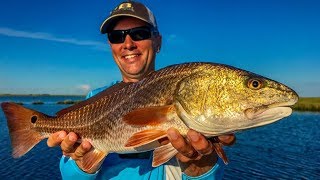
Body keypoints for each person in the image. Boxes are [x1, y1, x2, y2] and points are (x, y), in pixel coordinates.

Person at [47, 1, 235, 179]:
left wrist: (200, 167)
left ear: (157, 41)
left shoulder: (189, 96)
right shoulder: (94, 99)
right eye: (116, 36)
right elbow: (70, 176)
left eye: (139, 33)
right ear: (111, 46)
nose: (128, 44)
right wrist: (81, 163)